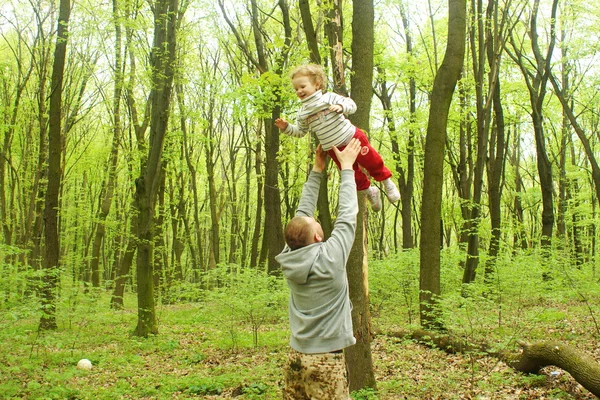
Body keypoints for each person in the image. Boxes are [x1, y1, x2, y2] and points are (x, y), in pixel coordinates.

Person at [275, 139, 362, 400]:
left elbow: (302, 214)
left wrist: (317, 170)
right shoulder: (331, 258)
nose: (316, 220)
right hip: (326, 361)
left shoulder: (290, 256)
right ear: (315, 237)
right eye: (316, 224)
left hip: (296, 357)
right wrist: (347, 169)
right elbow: (347, 215)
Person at [275, 63, 400, 212]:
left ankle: (386, 181)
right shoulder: (302, 113)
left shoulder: (328, 98)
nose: (299, 91)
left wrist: (341, 108)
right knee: (351, 175)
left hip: (352, 138)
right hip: (335, 150)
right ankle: (370, 192)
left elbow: (351, 105)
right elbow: (301, 132)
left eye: (302, 86)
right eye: (296, 89)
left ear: (317, 84)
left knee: (371, 161)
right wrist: (286, 128)